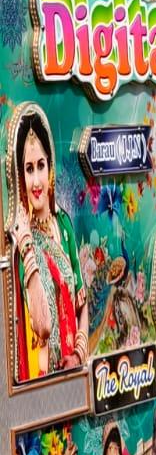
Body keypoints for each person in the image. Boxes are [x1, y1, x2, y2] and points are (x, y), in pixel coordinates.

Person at [10, 106, 88, 379]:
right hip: (42, 380)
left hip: (73, 373)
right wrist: (27, 245)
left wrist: (78, 355)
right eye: (28, 169)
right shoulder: (22, 244)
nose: (36, 181)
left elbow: (82, 302)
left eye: (40, 166)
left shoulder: (63, 225)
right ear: (21, 176)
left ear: (50, 167)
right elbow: (42, 327)